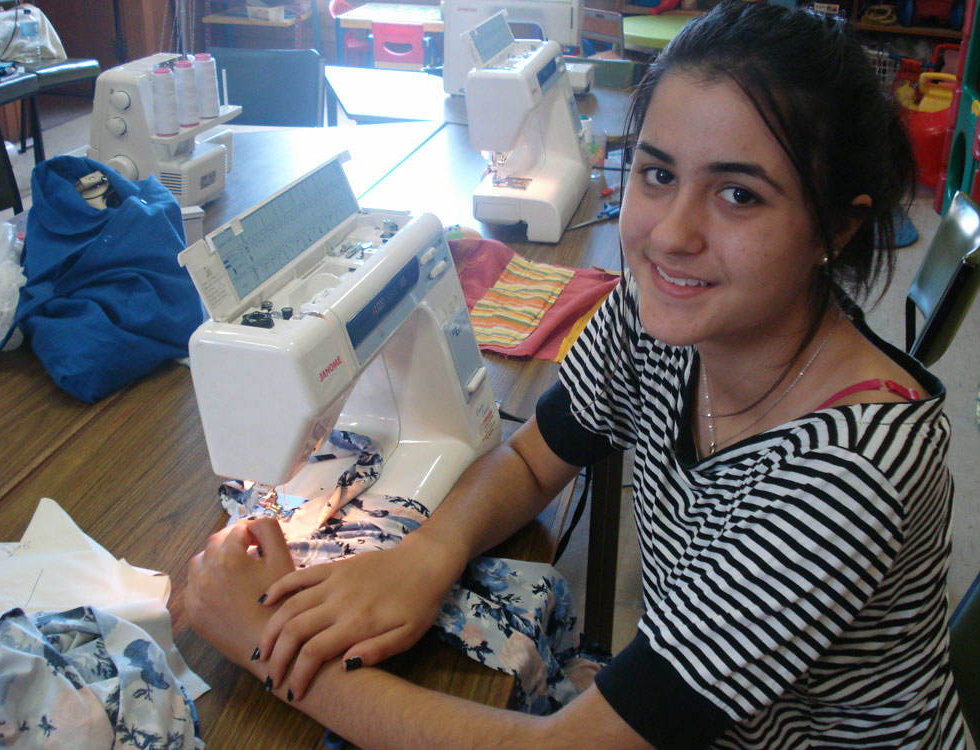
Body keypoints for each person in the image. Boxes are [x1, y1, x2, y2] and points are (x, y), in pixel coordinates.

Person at [186, 2, 967, 747]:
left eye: (738, 195)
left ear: (838, 226)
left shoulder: (847, 474)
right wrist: (423, 556)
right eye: (657, 174)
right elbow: (534, 457)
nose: (671, 235)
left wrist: (263, 643)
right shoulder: (662, 315)